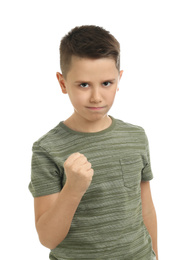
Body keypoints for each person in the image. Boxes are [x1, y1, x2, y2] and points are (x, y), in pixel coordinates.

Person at [29, 25, 158, 260]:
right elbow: (47, 238)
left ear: (119, 79)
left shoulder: (136, 136)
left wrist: (156, 256)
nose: (96, 96)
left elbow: (146, 208)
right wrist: (73, 188)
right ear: (62, 83)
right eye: (84, 85)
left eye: (106, 83)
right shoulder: (47, 149)